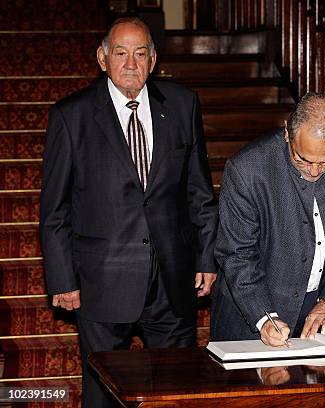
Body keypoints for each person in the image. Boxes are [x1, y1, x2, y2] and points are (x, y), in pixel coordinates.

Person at [39, 18, 218, 407]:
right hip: (102, 279)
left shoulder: (184, 105)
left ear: (153, 59)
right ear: (103, 58)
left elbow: (199, 191)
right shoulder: (71, 116)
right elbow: (54, 209)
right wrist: (62, 278)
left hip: (173, 278)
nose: (130, 63)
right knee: (102, 392)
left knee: (175, 390)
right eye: (120, 53)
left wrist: (206, 256)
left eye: (140, 53)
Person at [211, 93, 325, 346]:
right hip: (252, 312)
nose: (314, 171)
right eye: (302, 159)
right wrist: (264, 317)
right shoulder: (248, 169)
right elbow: (237, 254)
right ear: (287, 134)